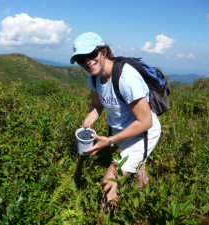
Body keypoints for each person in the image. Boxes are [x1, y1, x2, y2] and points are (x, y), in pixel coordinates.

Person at [70, 32, 161, 211]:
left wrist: (110, 140)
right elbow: (97, 106)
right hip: (123, 133)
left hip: (142, 133)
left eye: (91, 54)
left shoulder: (126, 78)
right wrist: (86, 124)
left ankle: (107, 218)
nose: (87, 61)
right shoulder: (94, 78)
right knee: (139, 165)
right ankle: (145, 207)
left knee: (108, 182)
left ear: (104, 51)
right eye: (81, 58)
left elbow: (145, 121)